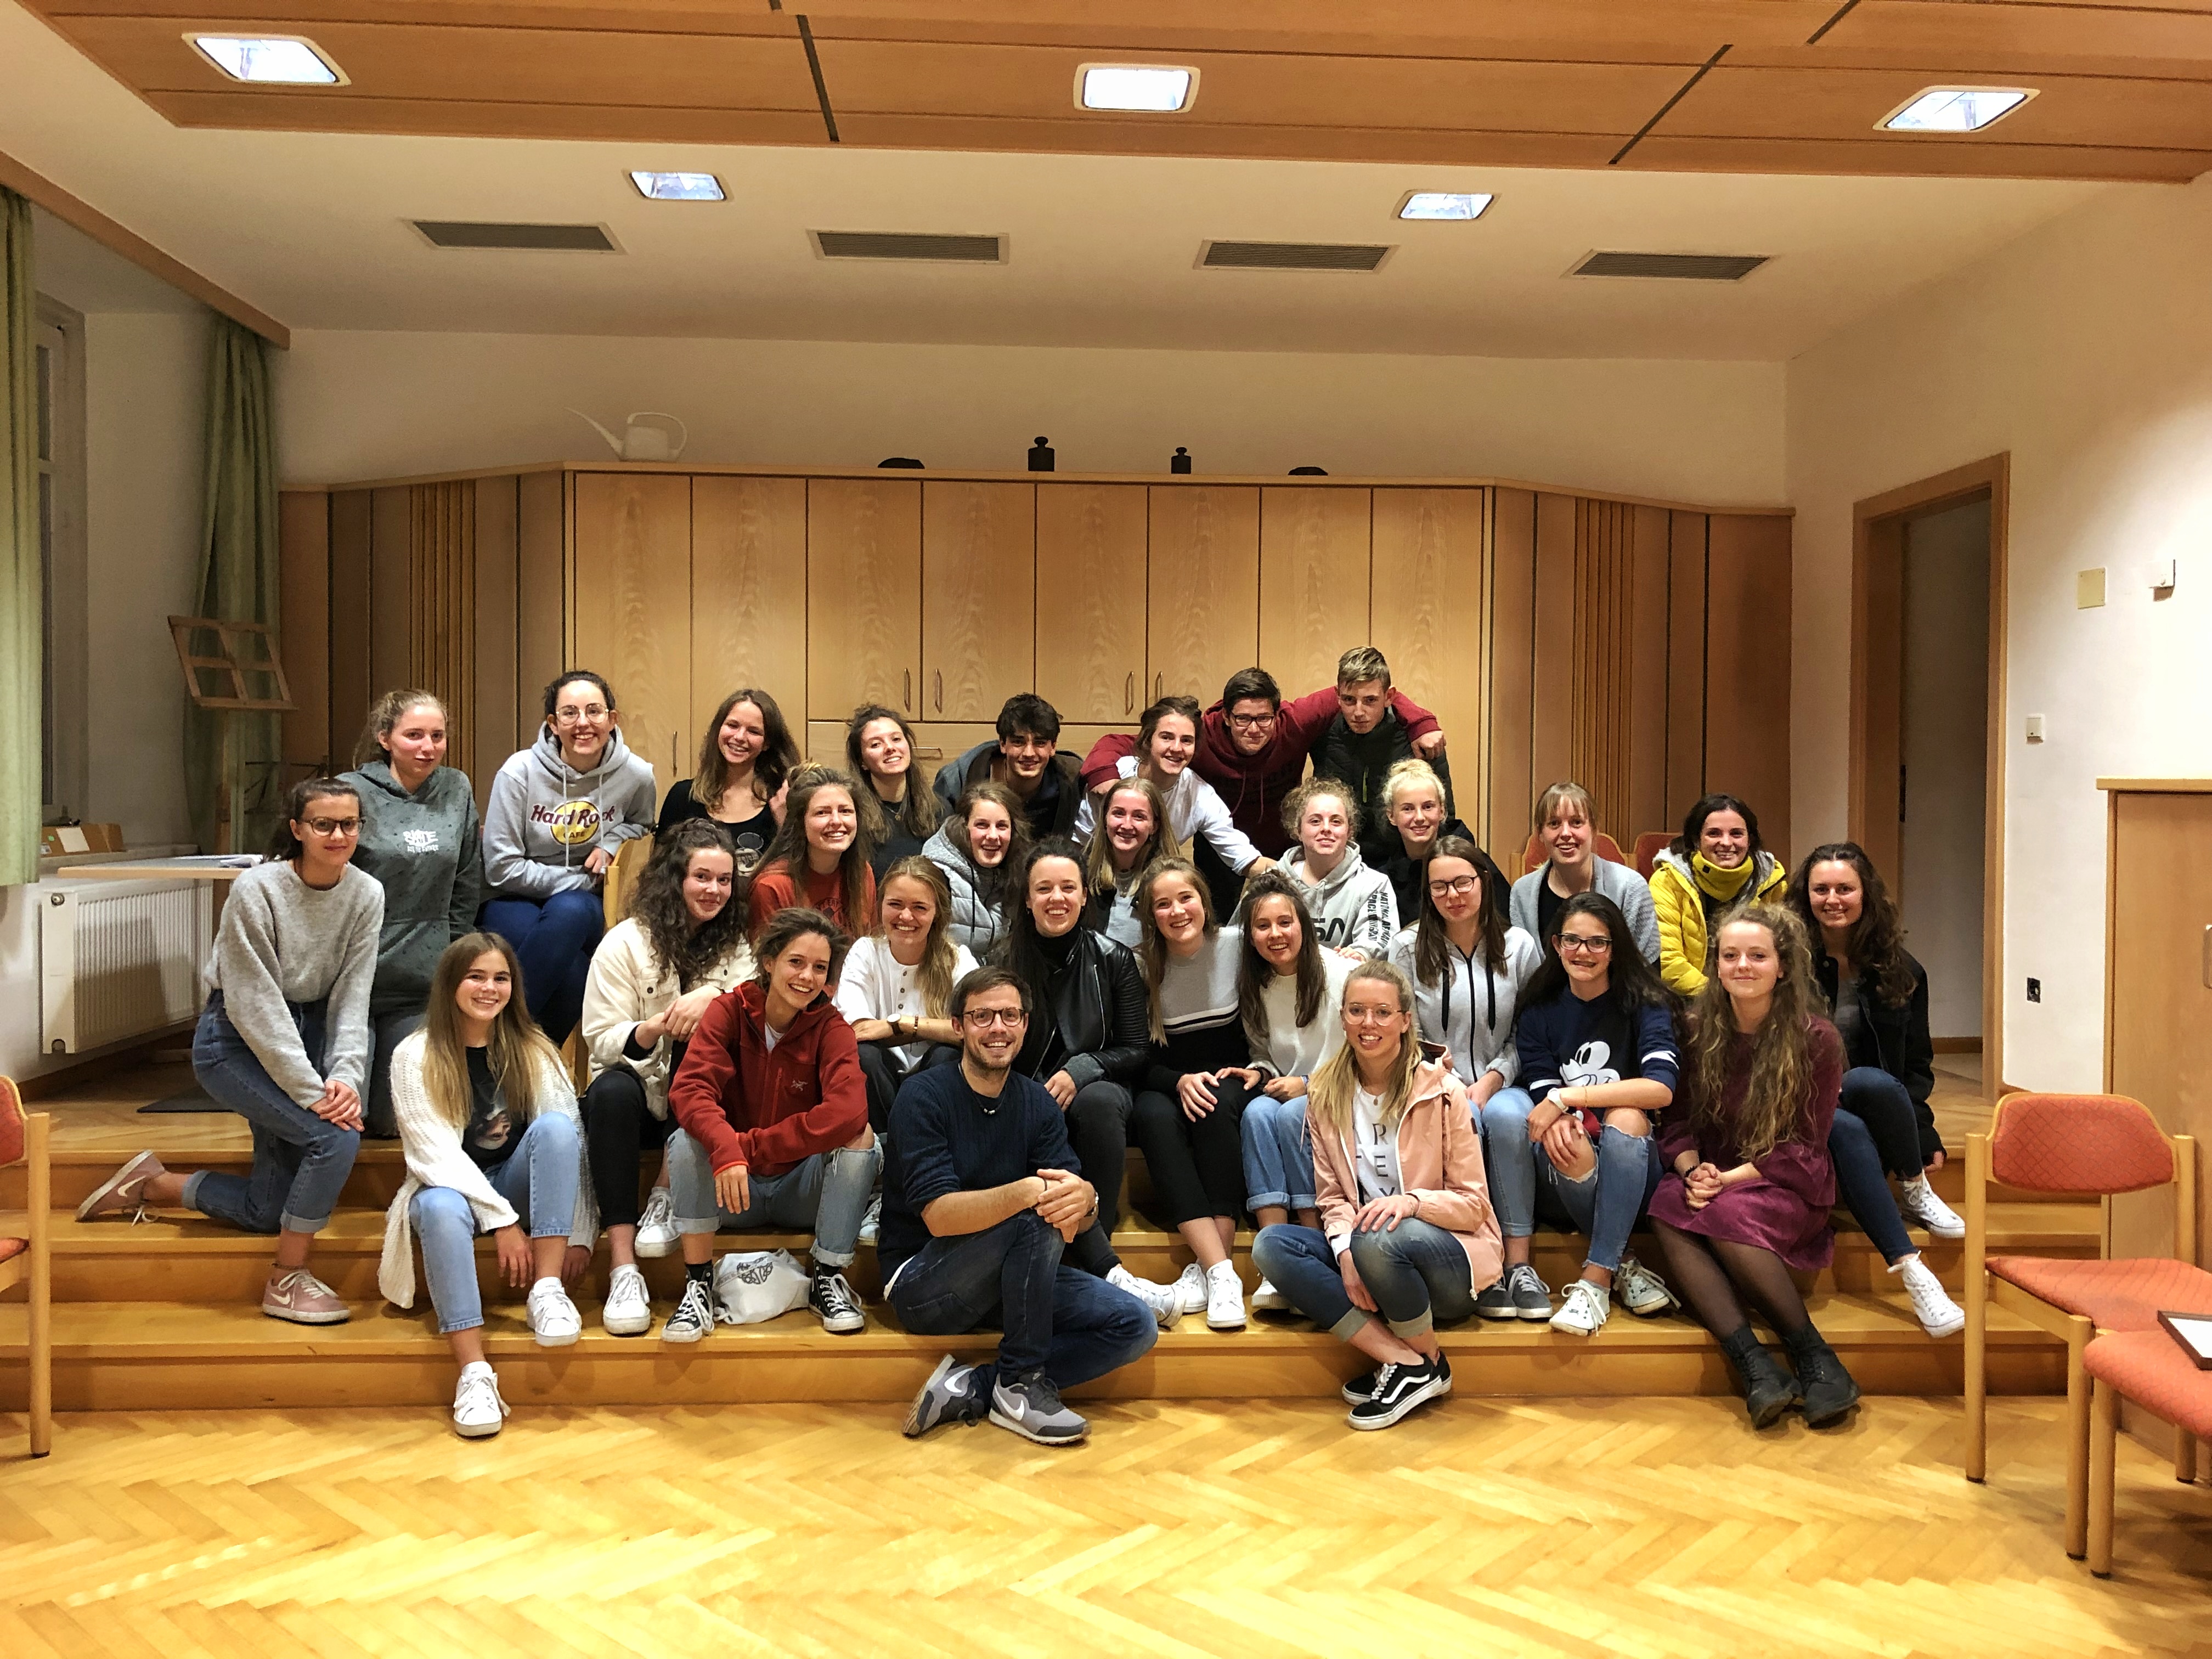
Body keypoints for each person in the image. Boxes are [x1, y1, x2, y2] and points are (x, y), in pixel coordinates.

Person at [77, 778, 382, 1326]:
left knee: (267, 1211)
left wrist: (345, 1076)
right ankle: (286, 1279)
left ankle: (152, 1184)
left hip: (304, 1038)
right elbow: (254, 1003)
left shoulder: (367, 893)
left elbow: (353, 996)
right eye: (323, 824)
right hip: (235, 1042)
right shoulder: (257, 888)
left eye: (349, 824)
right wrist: (313, 1092)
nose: (338, 835)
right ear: (297, 829)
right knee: (334, 1138)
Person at [890, 967, 1160, 1446]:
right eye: (983, 1016)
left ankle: (978, 1385)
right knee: (1036, 1210)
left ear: (1025, 1024)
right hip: (924, 1282)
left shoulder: (1037, 1103)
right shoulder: (923, 1095)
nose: (998, 1028)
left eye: (1010, 1015)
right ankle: (1020, 1384)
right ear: (958, 1026)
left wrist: (1088, 1199)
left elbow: (1070, 1213)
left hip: (1014, 1276)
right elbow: (940, 1217)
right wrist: (1031, 1193)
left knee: (1134, 1324)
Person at [1250, 960, 1501, 1430]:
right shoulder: (1325, 1093)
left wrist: (1412, 1204)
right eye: (1357, 1011)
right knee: (1272, 1246)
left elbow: (1474, 1205)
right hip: (1371, 1259)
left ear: (1405, 1020)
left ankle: (1428, 1359)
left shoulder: (1444, 1092)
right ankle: (1403, 1361)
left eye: (1383, 1013)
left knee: (1379, 1234)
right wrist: (1345, 1254)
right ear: (1342, 1018)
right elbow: (1332, 1198)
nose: (1369, 1024)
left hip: (1449, 1264)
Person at [1651, 903, 1860, 1428]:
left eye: (1758, 956)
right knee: (1665, 1203)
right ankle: (1756, 1366)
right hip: (1716, 1176)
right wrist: (1693, 1171)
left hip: (1786, 1182)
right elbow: (1677, 1123)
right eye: (1730, 956)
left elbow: (1806, 1142)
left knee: (1724, 1212)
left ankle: (1815, 1356)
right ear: (1717, 967)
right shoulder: (1695, 1030)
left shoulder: (1817, 1039)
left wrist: (1726, 1180)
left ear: (1782, 966)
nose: (1743, 965)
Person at [378, 935, 596, 1436]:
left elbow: (572, 1142)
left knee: (557, 1128)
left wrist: (581, 1232)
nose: (488, 988)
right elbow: (433, 1156)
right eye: (475, 977)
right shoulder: (414, 1053)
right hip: (450, 1191)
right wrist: (503, 1222)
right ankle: (474, 1374)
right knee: (437, 1207)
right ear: (450, 984)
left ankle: (546, 1290)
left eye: (500, 978)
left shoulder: (533, 1049)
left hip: (514, 1184)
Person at [661, 908, 878, 1341]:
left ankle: (827, 1277)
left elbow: (849, 1111)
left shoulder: (831, 1027)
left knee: (863, 1137)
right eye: (796, 962)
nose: (807, 977)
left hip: (798, 1189)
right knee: (685, 1140)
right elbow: (690, 1090)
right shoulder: (728, 1011)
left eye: (820, 968)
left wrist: (745, 1148)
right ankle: (698, 1284)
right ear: (769, 961)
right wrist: (726, 1151)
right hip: (731, 1192)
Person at [993, 840, 1184, 1324]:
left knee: (1098, 1103)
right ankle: (1087, 1264)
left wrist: (1084, 1068)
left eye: (1067, 888)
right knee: (1023, 1107)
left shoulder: (1113, 958)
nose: (1056, 898)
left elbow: (1137, 1050)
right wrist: (1036, 1087)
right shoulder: (1002, 957)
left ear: (1083, 896)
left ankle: (1095, 1232)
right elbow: (992, 1038)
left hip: (1101, 1082)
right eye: (1044, 889)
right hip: (1023, 1085)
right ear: (1028, 899)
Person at [578, 822, 754, 1335]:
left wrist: (714, 999)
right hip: (633, 1097)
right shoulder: (625, 943)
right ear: (675, 878)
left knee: (706, 1046)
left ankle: (665, 1192)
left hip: (697, 1104)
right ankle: (623, 1267)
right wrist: (654, 1027)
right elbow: (600, 1039)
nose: (714, 890)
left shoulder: (736, 944)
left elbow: (753, 1004)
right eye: (702, 877)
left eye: (724, 880)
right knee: (611, 1091)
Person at [1787, 842, 1967, 1336]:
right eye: (1821, 889)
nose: (1832, 899)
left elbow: (1915, 1065)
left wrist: (1920, 1133)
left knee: (1869, 1082)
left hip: (1871, 1102)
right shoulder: (1785, 963)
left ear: (1866, 894)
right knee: (1843, 1125)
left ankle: (1915, 1185)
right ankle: (1913, 1270)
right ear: (1805, 895)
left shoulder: (1903, 970)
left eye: (1845, 889)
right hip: (1802, 1106)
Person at [1480, 892, 1680, 1333]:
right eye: (1571, 940)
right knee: (1567, 1137)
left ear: (1615, 948)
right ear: (1556, 945)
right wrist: (1559, 1108)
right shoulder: (1540, 1010)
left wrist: (1568, 1098)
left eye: (1597, 942)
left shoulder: (1645, 1003)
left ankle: (1595, 1278)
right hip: (1566, 1172)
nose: (1582, 952)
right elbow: (1542, 1088)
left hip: (1635, 1168)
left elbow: (1661, 1089)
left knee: (1626, 1115)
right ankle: (1620, 1265)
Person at [1079, 665, 1444, 859]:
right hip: (1218, 849)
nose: (1254, 730)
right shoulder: (1198, 735)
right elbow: (1121, 741)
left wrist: (1422, 723)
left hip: (1284, 847)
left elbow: (1363, 689)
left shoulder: (1295, 722)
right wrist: (1105, 775)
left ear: (1277, 714)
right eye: (1242, 719)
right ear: (1225, 717)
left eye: (1264, 719)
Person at [481, 670, 657, 1043]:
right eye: (570, 713)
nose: (583, 723)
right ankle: (534, 1057)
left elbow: (642, 826)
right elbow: (500, 867)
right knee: (575, 969)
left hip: (580, 906)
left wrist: (613, 840)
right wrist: (582, 880)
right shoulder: (519, 772)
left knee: (572, 912)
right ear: (553, 724)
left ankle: (498, 1038)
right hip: (516, 896)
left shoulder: (637, 775)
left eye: (594, 711)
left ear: (612, 719)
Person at [341, 689, 484, 1139]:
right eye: (414, 735)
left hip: (421, 983)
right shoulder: (350, 791)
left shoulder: (456, 788)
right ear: (385, 738)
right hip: (355, 980)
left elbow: (467, 879)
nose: (428, 747)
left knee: (393, 1121)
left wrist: (453, 957)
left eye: (437, 736)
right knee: (347, 1113)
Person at [1130, 857, 1257, 1330]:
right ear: (1151, 916)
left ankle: (1210, 1272)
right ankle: (1221, 1271)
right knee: (1151, 1114)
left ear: (1204, 901)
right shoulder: (1140, 965)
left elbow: (1297, 958)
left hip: (1233, 1076)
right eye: (1163, 904)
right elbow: (1138, 1055)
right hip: (1168, 1080)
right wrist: (1178, 1081)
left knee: (1215, 1103)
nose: (1177, 911)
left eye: (1186, 898)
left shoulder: (1239, 946)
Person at [1226, 872, 1352, 1311]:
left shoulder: (1340, 974)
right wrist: (1260, 1072)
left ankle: (1312, 1249)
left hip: (1339, 1090)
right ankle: (1274, 1258)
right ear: (1250, 936)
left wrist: (1310, 1084)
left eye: (1285, 922)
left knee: (1291, 1113)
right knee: (1256, 1113)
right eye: (1263, 926)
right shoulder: (1255, 984)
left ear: (1303, 924)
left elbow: (1364, 1050)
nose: (1275, 934)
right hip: (1287, 1092)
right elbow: (1262, 1050)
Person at [1387, 835, 1542, 1111]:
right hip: (1433, 1082)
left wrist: (1494, 1078)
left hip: (1506, 1084)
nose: (1453, 895)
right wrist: (1448, 1078)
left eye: (1463, 882)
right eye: (1439, 887)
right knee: (1463, 1112)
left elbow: (1530, 1030)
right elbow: (1408, 1032)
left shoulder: (1519, 946)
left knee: (1507, 1117)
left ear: (1484, 881)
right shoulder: (1406, 948)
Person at [1074, 696, 1272, 892]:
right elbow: (1079, 845)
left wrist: (1288, 873)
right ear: (1148, 740)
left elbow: (1242, 856)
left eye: (1186, 740)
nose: (1177, 748)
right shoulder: (1112, 777)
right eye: (1166, 737)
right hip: (1096, 883)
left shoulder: (1199, 795)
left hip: (1151, 890)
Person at [834, 855, 972, 1133]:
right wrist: (939, 1029)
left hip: (933, 1081)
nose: (906, 917)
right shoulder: (865, 952)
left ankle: (925, 1142)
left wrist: (900, 1025)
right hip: (879, 1081)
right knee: (864, 1056)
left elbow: (976, 1028)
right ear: (881, 906)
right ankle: (887, 1145)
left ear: (937, 913)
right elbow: (859, 1031)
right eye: (895, 904)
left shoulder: (958, 960)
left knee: (947, 1056)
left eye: (919, 907)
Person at [1310, 647, 1458, 867]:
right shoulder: (1321, 733)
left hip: (1405, 864)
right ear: (1337, 696)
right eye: (1349, 700)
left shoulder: (1419, 739)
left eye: (1370, 700)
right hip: (1340, 863)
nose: (1359, 712)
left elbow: (1444, 815)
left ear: (1389, 697)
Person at [1650, 793, 1788, 997]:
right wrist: (1721, 999)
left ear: (1750, 840)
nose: (1726, 842)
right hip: (1686, 999)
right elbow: (1668, 962)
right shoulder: (1667, 880)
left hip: (1755, 997)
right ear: (1696, 840)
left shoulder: (1772, 881)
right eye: (1714, 834)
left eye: (1736, 834)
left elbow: (1781, 955)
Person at [1508, 781, 1660, 967]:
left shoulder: (1631, 888)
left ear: (1594, 829)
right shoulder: (1522, 893)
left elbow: (1647, 973)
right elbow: (1523, 972)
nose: (1566, 833)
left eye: (1576, 822)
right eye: (1554, 823)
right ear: (1540, 833)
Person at [658, 687, 800, 865]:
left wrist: (785, 824)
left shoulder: (783, 801)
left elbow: (800, 870)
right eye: (733, 725)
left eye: (753, 731)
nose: (740, 737)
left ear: (767, 743)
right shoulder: (681, 797)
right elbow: (659, 872)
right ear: (718, 729)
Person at [746, 766, 878, 940]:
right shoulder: (772, 887)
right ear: (800, 823)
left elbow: (870, 948)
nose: (836, 821)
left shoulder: (863, 873)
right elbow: (769, 956)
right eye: (822, 813)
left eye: (845, 811)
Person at [932, 693, 1084, 842]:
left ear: (1053, 747)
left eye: (1040, 743)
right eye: (1018, 742)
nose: (1029, 753)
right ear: (1003, 744)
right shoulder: (956, 782)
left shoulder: (1073, 780)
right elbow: (936, 846)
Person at [1279, 778, 1398, 959]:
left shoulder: (1374, 884)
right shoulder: (1273, 881)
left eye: (1336, 822)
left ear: (1349, 831)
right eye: (1315, 821)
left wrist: (1362, 954)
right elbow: (1241, 936)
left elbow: (1378, 941)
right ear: (1298, 830)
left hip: (1348, 974)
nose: (1326, 829)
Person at [1368, 758, 1483, 924]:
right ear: (1391, 816)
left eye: (1428, 807)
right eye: (1408, 809)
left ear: (1442, 811)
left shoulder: (1476, 866)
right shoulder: (1379, 881)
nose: (1419, 818)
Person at [923, 780, 1030, 955]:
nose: (993, 836)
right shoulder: (935, 876)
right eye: (982, 825)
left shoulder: (1015, 872)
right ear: (964, 827)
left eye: (1002, 826)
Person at [1080, 775, 1177, 947]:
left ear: (1154, 826)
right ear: (1105, 818)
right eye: (1118, 813)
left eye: (1139, 817)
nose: (1126, 825)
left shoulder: (1171, 882)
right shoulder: (1080, 876)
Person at [846, 704, 941, 876]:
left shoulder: (939, 809)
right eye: (876, 744)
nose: (890, 748)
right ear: (862, 762)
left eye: (896, 739)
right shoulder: (851, 815)